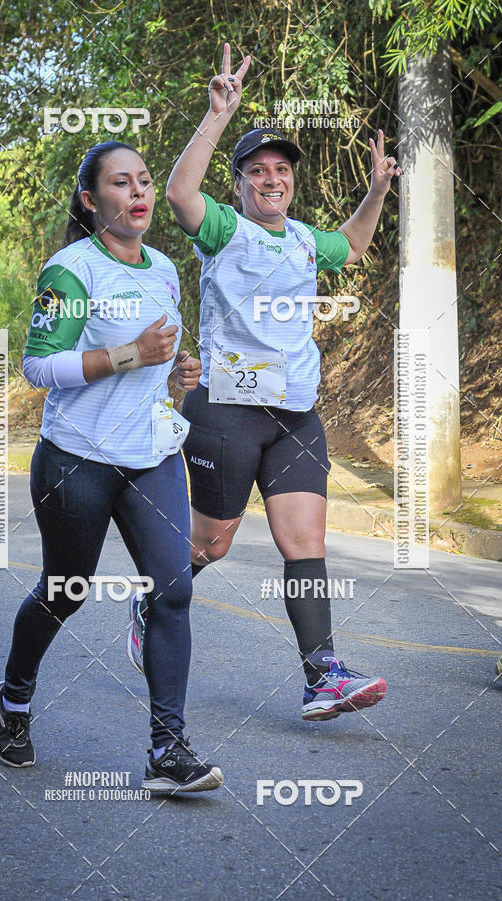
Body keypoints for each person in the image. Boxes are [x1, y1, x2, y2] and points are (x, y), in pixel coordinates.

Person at [129, 44, 400, 722]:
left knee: (305, 542)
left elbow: (356, 245)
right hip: (225, 410)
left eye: (281, 169)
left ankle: (322, 677)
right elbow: (178, 193)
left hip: (295, 416)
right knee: (212, 542)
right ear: (243, 181)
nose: (271, 179)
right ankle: (151, 596)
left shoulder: (308, 240)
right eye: (258, 171)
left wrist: (374, 192)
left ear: (291, 181)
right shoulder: (224, 230)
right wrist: (218, 115)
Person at [0, 141, 223, 794]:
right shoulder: (69, 270)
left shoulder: (165, 269)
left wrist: (179, 374)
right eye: (121, 183)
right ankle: (14, 694)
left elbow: (158, 366)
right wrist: (127, 354)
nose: (140, 191)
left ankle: (167, 751)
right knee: (67, 590)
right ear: (93, 202)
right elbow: (37, 367)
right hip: (77, 462)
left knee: (172, 590)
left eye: (146, 180)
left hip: (151, 457)